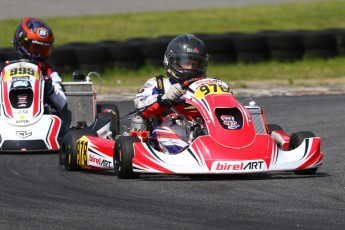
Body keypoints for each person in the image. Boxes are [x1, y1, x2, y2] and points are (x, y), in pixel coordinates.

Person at [134, 34, 230, 154]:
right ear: (171, 61)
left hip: (208, 130)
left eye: (196, 64)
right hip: (173, 131)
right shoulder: (159, 84)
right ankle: (192, 153)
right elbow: (140, 105)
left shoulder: (210, 84)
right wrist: (165, 98)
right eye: (186, 62)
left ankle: (224, 148)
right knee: (163, 133)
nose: (191, 68)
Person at [10, 17, 71, 133]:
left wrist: (50, 90)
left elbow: (62, 103)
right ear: (22, 43)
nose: (39, 54)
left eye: (43, 50)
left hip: (41, 121)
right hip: (7, 118)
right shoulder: (5, 69)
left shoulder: (48, 71)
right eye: (35, 49)